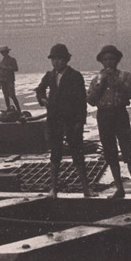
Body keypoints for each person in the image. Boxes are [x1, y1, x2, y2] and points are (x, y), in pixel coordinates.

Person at [88, 45, 131, 198]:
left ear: (117, 60)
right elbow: (91, 100)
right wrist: (101, 84)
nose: (108, 62)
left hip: (120, 114)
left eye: (112, 59)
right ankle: (119, 188)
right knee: (110, 152)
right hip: (103, 116)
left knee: (128, 150)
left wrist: (116, 83)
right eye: (105, 59)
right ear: (101, 62)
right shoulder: (96, 78)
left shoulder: (125, 76)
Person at [35, 43, 89, 196]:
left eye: (59, 59)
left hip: (72, 121)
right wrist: (43, 99)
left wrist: (80, 122)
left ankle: (86, 188)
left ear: (66, 59)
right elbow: (39, 90)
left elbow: (82, 101)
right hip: (54, 120)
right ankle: (53, 188)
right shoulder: (50, 75)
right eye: (53, 59)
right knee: (55, 154)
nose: (56, 62)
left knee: (77, 154)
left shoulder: (75, 75)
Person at [0, 45, 21, 113]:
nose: (3, 53)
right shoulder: (2, 61)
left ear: (7, 52)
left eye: (4, 52)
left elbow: (16, 69)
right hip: (3, 81)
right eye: (2, 52)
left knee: (12, 95)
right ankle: (8, 109)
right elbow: (0, 72)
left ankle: (19, 109)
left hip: (10, 81)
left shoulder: (12, 60)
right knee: (6, 96)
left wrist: (7, 67)